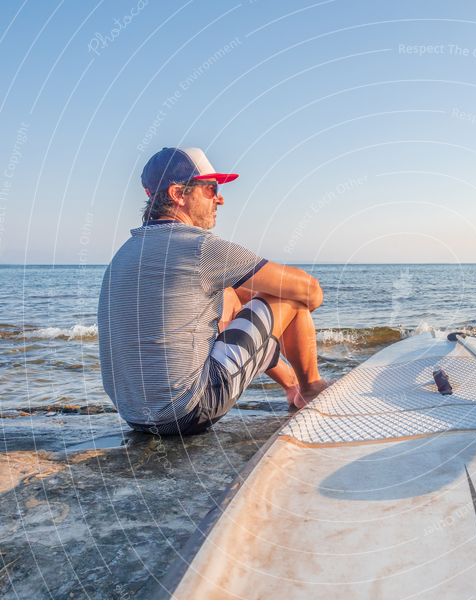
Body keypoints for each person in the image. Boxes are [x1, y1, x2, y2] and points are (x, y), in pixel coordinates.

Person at [97, 147, 327, 435]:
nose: (220, 198)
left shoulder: (124, 254)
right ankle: (311, 389)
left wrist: (244, 304)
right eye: (210, 188)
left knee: (233, 298)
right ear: (178, 194)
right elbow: (310, 290)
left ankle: (292, 386)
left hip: (134, 415)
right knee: (287, 297)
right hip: (186, 411)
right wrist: (292, 308)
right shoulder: (200, 248)